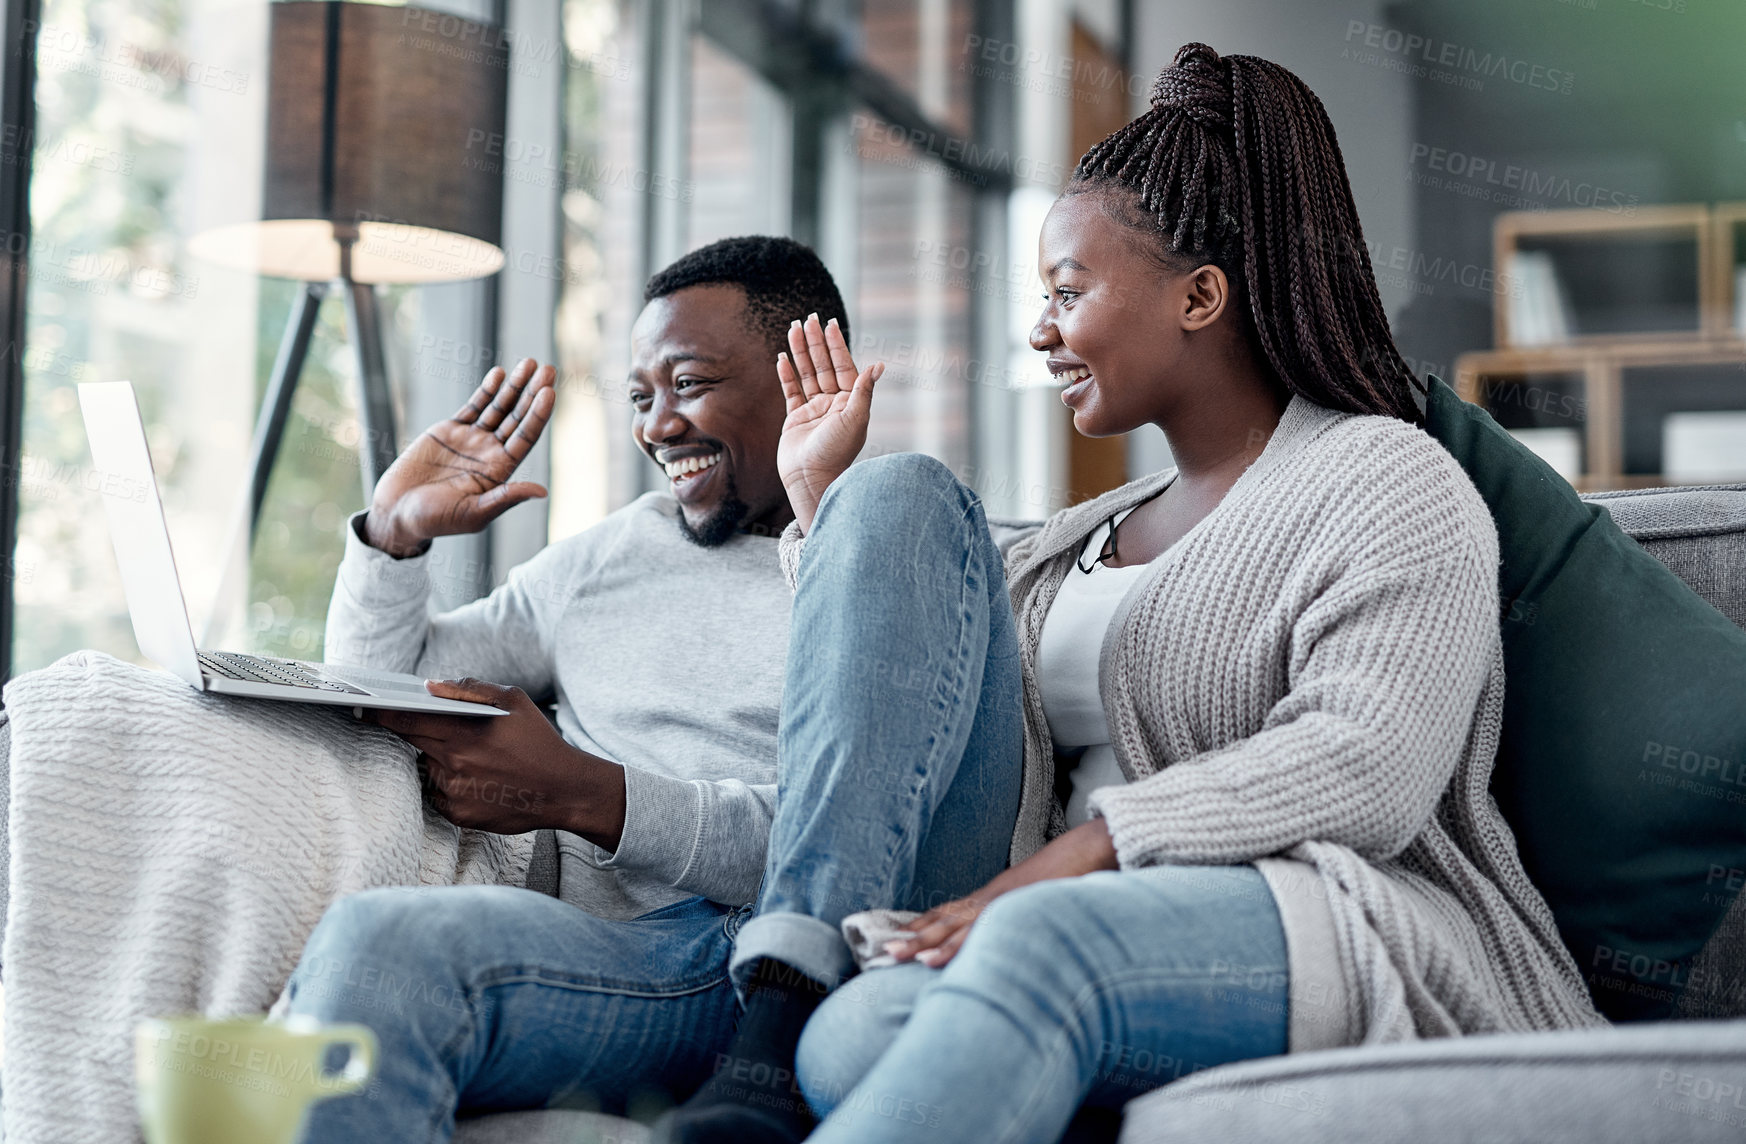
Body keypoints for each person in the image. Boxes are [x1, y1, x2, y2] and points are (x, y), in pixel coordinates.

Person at [759, 44, 1607, 1143]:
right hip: (1061, 927)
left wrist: (1074, 861)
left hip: (1329, 912)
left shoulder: (1389, 479)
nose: (1040, 330)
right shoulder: (1068, 545)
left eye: (1068, 292)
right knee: (854, 1032)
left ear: (1201, 294)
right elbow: (915, 716)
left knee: (1037, 948)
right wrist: (822, 512)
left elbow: (1370, 762)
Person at [283, 236, 1025, 1142]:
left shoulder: (910, 559)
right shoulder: (607, 558)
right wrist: (393, 537)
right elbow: (386, 688)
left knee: (900, 491)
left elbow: (871, 822)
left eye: (690, 382)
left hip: (853, 942)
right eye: (640, 396)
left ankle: (779, 1033)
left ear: (802, 374)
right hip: (646, 963)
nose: (657, 425)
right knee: (375, 945)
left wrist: (587, 793)